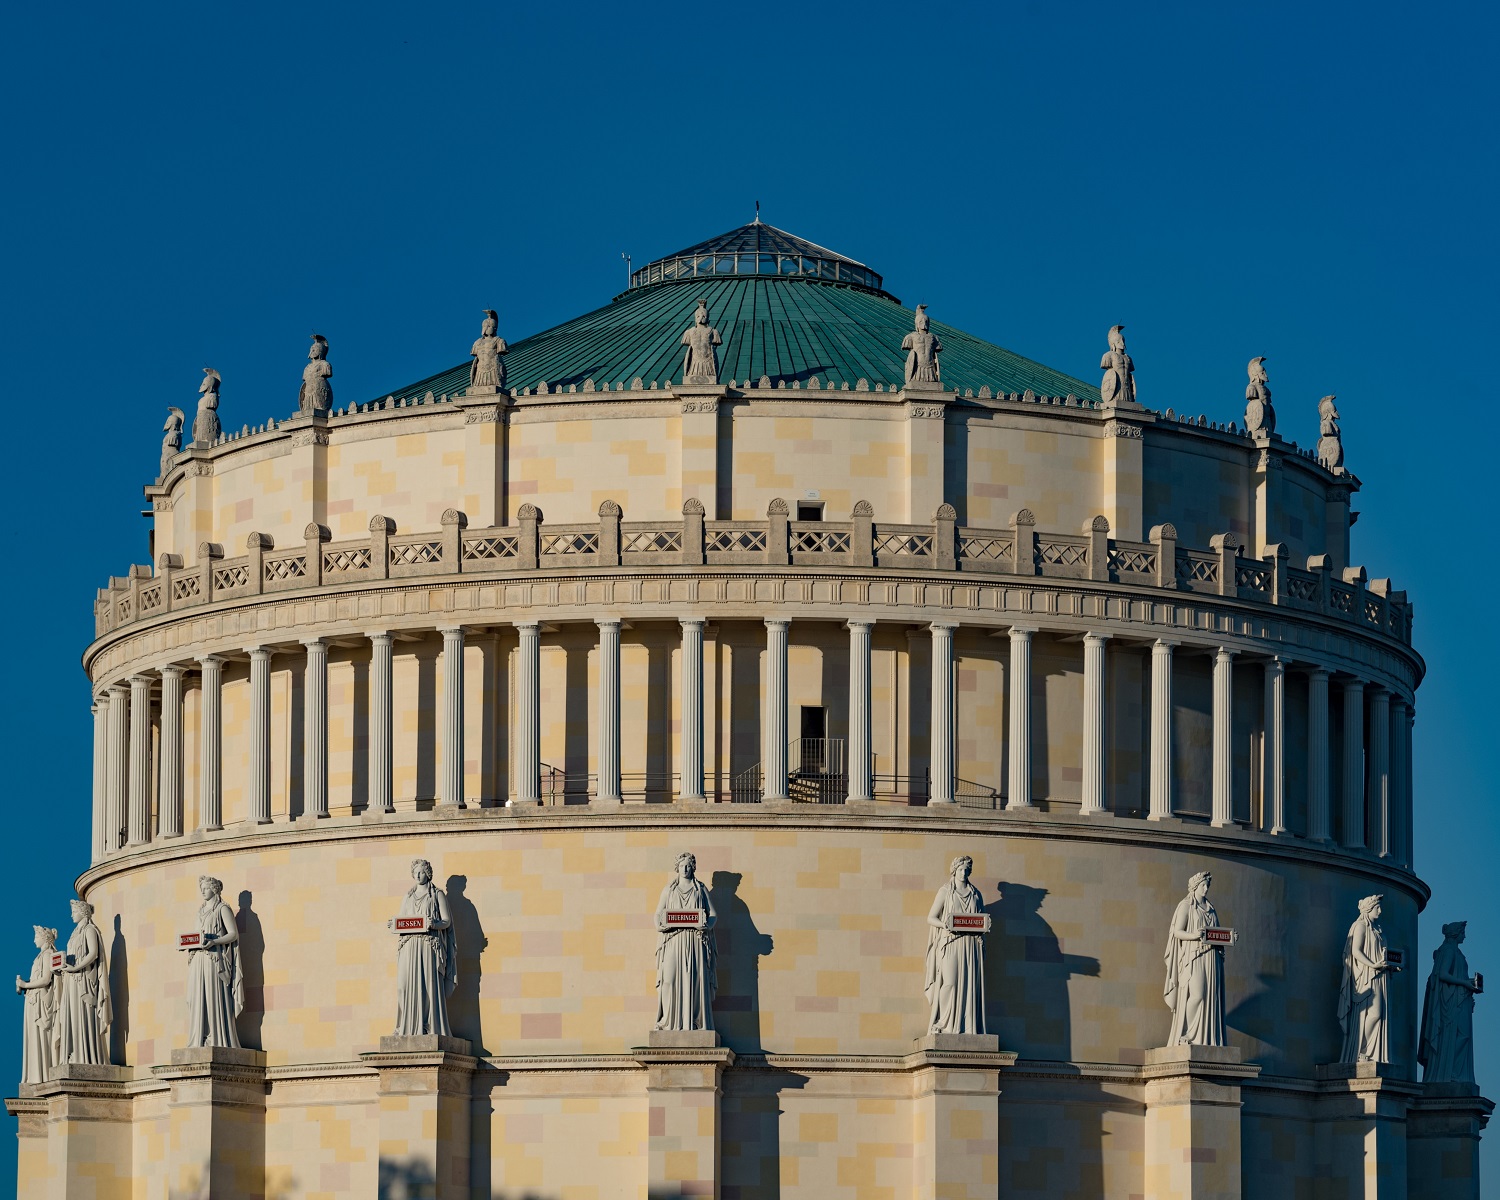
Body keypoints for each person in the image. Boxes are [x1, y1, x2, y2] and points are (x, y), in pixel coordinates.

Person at [389, 859, 456, 1036]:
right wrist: (393, 924)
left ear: (428, 873)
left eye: (421, 872)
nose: (418, 876)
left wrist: (433, 924)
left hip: (428, 946)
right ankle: (406, 1026)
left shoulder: (437, 894)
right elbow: (402, 920)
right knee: (403, 986)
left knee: (428, 986)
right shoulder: (408, 896)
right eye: (416, 873)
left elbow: (447, 921)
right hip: (409, 946)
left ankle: (428, 1026)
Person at [654, 852, 717, 1031]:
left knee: (696, 982)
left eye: (689, 865)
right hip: (673, 940)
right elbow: (658, 914)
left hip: (695, 941)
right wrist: (661, 925)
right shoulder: (669, 890)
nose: (685, 868)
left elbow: (712, 914)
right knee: (669, 980)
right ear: (677, 868)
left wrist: (707, 926)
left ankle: (695, 1022)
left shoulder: (701, 889)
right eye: (682, 865)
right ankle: (668, 1022)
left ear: (693, 867)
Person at [924, 855, 987, 1034]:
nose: (964, 873)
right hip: (950, 943)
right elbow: (931, 917)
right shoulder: (945, 891)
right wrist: (945, 925)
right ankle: (943, 1023)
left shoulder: (976, 894)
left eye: (967, 870)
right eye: (961, 869)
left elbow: (981, 920)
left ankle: (967, 1025)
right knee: (949, 982)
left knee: (968, 986)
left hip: (970, 945)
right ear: (954, 870)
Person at [1164, 871, 1227, 1046]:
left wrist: (1230, 938)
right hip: (1193, 956)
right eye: (1203, 885)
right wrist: (1195, 936)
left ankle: (1207, 1038)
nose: (1206, 888)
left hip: (1211, 957)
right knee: (1197, 995)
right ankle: (1189, 1034)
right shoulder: (1186, 905)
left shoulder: (1211, 908)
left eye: (1208, 885)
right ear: (1195, 887)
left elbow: (1217, 933)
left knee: (1210, 997)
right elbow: (1177, 931)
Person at [1419, 920, 1481, 1084]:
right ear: (1456, 934)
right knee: (1461, 1035)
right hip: (1451, 1001)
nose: (1465, 936)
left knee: (1463, 1036)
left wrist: (1469, 984)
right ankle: (1450, 1073)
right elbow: (1443, 974)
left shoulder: (1455, 952)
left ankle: (1456, 1074)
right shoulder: (1448, 951)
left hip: (1459, 998)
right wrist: (1465, 983)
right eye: (1463, 933)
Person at [186, 876, 243, 1049]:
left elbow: (233, 934)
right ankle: (200, 1038)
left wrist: (215, 942)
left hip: (214, 960)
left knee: (213, 995)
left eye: (206, 888)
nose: (202, 891)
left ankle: (217, 1038)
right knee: (198, 997)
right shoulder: (200, 910)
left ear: (215, 889)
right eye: (201, 888)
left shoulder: (222, 909)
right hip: (198, 959)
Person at [1337, 894, 1394, 1063]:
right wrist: (1373, 965)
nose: (1380, 911)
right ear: (1369, 909)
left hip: (1380, 976)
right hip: (1366, 976)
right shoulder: (1360, 926)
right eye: (1377, 907)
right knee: (1374, 1013)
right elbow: (1356, 951)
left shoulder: (1378, 929)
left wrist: (1391, 966)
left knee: (1380, 1014)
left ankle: (1371, 1053)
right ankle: (1361, 1050)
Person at [55, 900, 110, 1066]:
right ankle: (75, 1053)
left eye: (74, 911)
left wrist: (76, 967)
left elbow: (93, 953)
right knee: (72, 1016)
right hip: (72, 979)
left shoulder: (90, 930)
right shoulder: (74, 933)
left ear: (82, 912)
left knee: (82, 1015)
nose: (71, 915)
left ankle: (86, 1055)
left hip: (84, 981)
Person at [15, 926, 59, 1084]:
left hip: (41, 1005)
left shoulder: (48, 954)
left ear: (44, 938)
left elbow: (46, 979)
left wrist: (25, 985)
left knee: (40, 1039)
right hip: (35, 1002)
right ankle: (35, 1076)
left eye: (36, 936)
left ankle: (41, 1077)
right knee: (34, 1039)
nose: (34, 939)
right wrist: (25, 984)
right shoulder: (41, 956)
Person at [680, 301, 722, 385]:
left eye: (704, 315)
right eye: (698, 316)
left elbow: (716, 341)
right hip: (694, 363)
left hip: (708, 362)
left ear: (708, 318)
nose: (701, 317)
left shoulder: (713, 332)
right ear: (695, 318)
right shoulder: (689, 332)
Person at [903, 305, 942, 384]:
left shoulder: (934, 338)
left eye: (926, 321)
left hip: (930, 368)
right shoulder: (911, 337)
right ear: (917, 323)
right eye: (921, 321)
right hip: (917, 368)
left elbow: (937, 348)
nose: (924, 323)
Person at [470, 310, 508, 391]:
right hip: (480, 370)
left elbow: (502, 351)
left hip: (493, 368)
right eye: (487, 326)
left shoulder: (499, 341)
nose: (489, 328)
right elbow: (475, 354)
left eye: (491, 326)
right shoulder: (477, 343)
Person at [1100, 325, 1136, 407]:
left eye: (1123, 341)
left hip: (1127, 390)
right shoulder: (1108, 356)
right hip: (1115, 390)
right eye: (1119, 341)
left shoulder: (1128, 358)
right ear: (1113, 344)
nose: (1122, 344)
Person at [298, 334, 333, 415]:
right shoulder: (307, 367)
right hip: (308, 390)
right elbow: (305, 378)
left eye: (315, 349)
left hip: (320, 388)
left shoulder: (325, 364)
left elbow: (328, 373)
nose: (312, 351)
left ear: (320, 351)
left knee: (319, 404)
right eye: (312, 349)